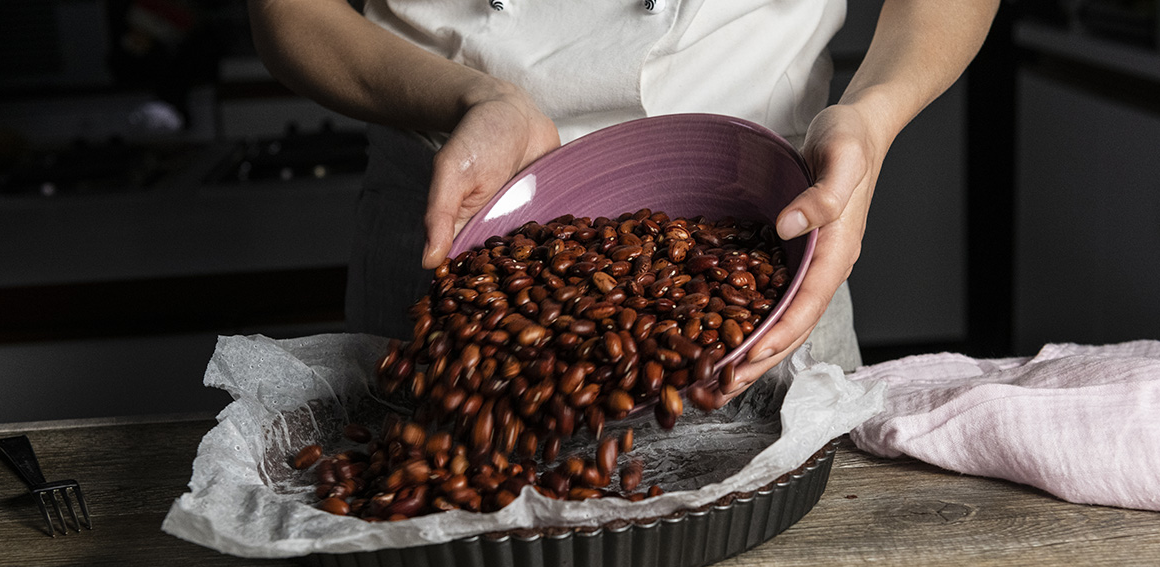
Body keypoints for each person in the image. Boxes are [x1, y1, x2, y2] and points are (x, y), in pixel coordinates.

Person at [248, 0, 998, 390]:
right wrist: (469, 97)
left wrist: (873, 116)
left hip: (766, 243)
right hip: (451, 239)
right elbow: (288, 13)